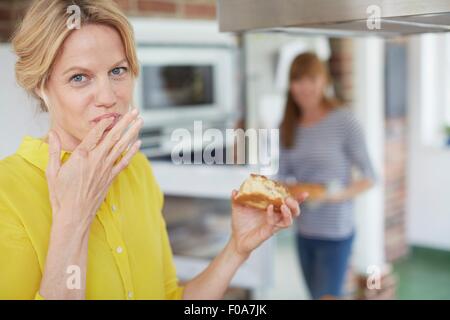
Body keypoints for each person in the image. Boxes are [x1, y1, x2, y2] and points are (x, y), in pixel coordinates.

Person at [0, 0, 302, 300]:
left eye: (118, 71)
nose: (108, 96)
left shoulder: (137, 169)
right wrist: (73, 219)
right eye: (79, 77)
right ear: (41, 86)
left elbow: (171, 296)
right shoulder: (7, 193)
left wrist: (236, 248)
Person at [278, 52, 376, 299]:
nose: (305, 87)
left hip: (336, 232)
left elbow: (370, 176)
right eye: (298, 80)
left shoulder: (344, 120)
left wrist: (337, 195)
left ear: (324, 81)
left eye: (312, 79)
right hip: (304, 231)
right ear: (290, 86)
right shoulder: (287, 125)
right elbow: (281, 177)